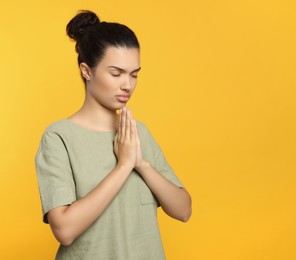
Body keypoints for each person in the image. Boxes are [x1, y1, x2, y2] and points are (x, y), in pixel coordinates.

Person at [34, 10, 192, 260]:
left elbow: (183, 210)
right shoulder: (58, 137)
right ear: (87, 71)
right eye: (116, 73)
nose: (127, 84)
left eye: (134, 74)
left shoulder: (137, 133)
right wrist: (124, 165)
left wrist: (141, 163)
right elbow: (64, 230)